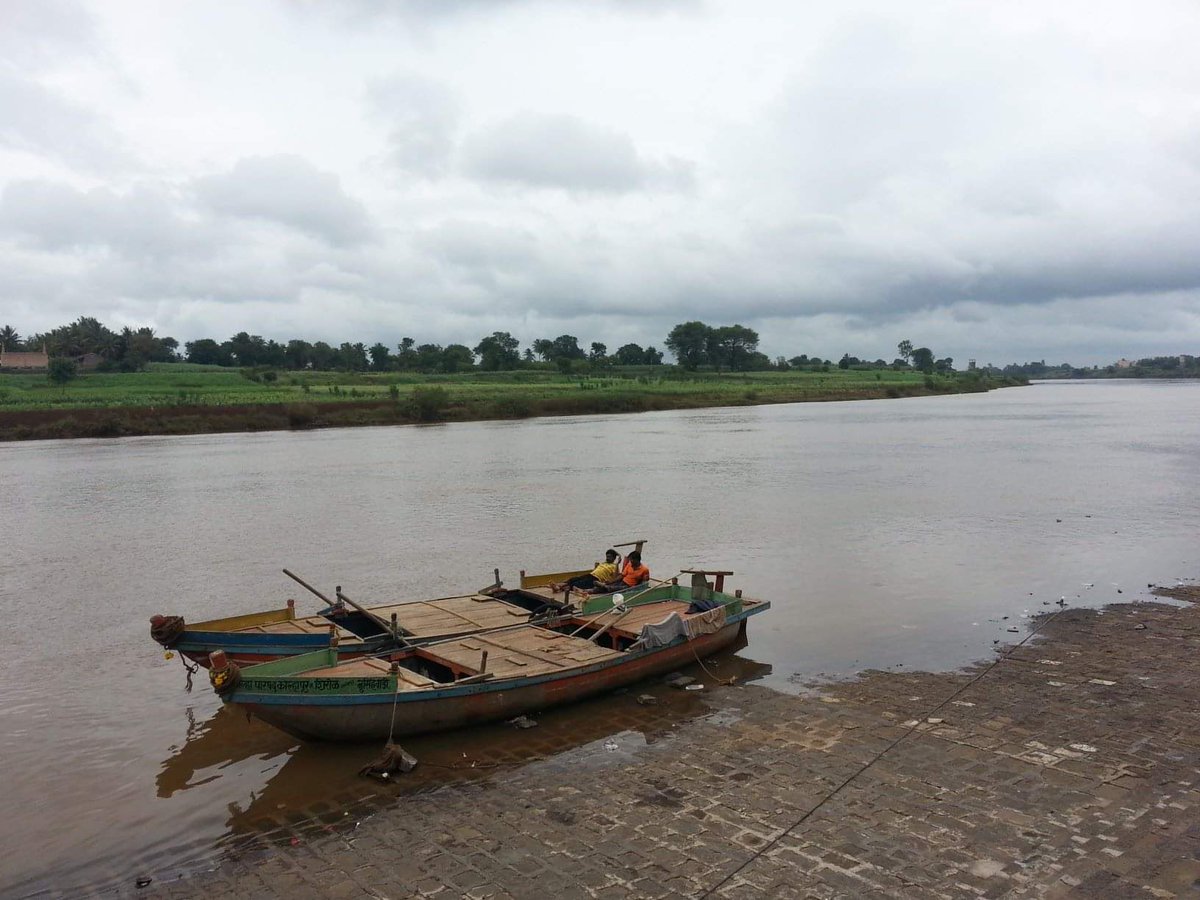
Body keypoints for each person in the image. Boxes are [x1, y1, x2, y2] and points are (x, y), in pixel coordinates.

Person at [554, 549, 621, 593]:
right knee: (574, 579)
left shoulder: (614, 566)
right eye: (607, 556)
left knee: (578, 584)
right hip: (591, 575)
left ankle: (560, 588)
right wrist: (595, 567)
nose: (607, 558)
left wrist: (618, 561)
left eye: (610, 557)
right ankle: (559, 586)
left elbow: (615, 577)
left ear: (614, 558)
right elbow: (596, 570)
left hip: (597, 579)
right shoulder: (604, 563)